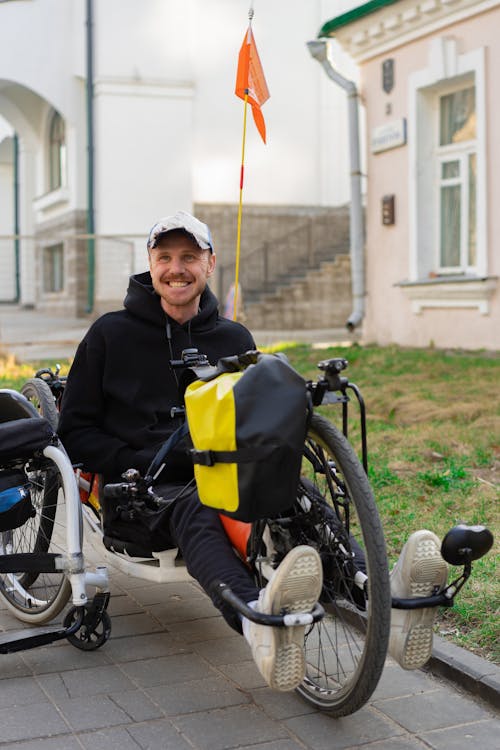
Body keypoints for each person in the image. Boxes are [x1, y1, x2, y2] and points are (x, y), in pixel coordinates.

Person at [58, 210, 447, 690]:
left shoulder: (233, 339)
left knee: (297, 494)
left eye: (189, 257)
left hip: (226, 467)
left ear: (210, 263)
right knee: (197, 504)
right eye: (165, 258)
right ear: (150, 265)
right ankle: (256, 620)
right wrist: (136, 461)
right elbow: (74, 430)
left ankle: (383, 597)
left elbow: (254, 419)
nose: (176, 268)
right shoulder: (109, 334)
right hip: (145, 488)